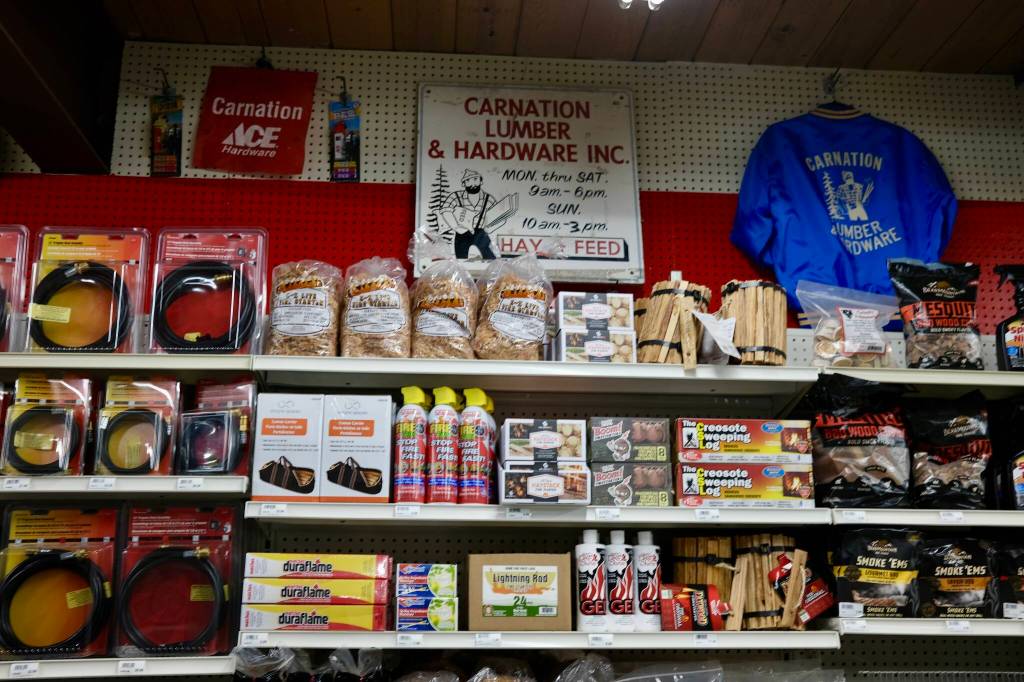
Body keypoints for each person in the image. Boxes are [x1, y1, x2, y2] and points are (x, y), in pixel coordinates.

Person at [440, 169, 497, 259]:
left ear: (481, 181)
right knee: (462, 260)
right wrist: (456, 227)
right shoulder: (456, 196)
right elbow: (445, 210)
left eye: (475, 179)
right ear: (463, 184)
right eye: (468, 180)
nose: (472, 184)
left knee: (489, 259)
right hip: (462, 234)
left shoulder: (488, 198)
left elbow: (496, 214)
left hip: (481, 234)